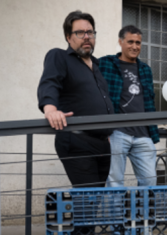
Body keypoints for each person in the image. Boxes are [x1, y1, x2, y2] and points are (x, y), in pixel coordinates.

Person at [38, 11, 115, 187]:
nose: (87, 37)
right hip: (78, 140)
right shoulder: (59, 56)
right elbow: (50, 82)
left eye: (90, 32)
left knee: (93, 201)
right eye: (80, 32)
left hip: (103, 144)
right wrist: (50, 109)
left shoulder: (96, 66)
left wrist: (107, 133)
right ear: (68, 37)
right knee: (87, 201)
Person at [98, 25, 159, 187]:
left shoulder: (146, 69)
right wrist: (104, 129)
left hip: (143, 133)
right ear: (120, 42)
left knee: (150, 180)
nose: (134, 46)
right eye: (130, 42)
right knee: (115, 181)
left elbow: (149, 101)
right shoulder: (105, 64)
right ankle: (116, 214)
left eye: (138, 43)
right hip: (117, 132)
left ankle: (144, 213)